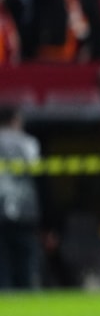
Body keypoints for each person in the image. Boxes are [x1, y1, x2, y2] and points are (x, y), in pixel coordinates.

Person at [0, 105, 41, 290]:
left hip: (2, 209)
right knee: (26, 261)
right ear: (15, 120)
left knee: (2, 266)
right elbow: (36, 168)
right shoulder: (28, 142)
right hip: (25, 209)